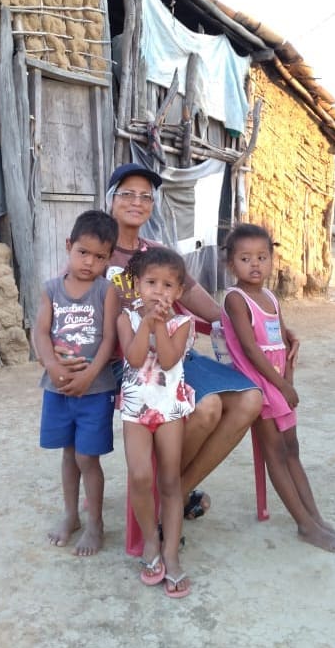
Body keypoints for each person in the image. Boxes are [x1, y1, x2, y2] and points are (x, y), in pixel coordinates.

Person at [101, 162, 265, 521]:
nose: (137, 201)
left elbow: (194, 297)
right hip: (128, 362)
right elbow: (74, 302)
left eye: (146, 196)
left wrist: (251, 323)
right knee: (207, 409)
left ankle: (173, 492)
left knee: (251, 399)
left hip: (175, 354)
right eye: (127, 193)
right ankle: (172, 496)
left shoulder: (156, 252)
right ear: (111, 200)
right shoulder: (98, 250)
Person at [220, 223, 335, 552]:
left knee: (293, 450)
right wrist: (281, 386)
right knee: (276, 454)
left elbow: (280, 340)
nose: (255, 265)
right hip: (258, 387)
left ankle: (315, 517)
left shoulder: (270, 297)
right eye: (245, 258)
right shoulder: (236, 299)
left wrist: (288, 382)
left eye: (262, 257)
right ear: (230, 264)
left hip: (278, 385)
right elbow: (251, 350)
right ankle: (305, 526)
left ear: (271, 260)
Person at [32, 210, 120, 557]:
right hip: (57, 388)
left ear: (109, 258)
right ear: (69, 246)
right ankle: (71, 515)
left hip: (94, 391)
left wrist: (88, 375)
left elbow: (110, 340)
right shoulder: (51, 289)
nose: (89, 262)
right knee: (69, 454)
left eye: (100, 256)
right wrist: (51, 365)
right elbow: (40, 331)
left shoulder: (105, 291)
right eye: (83, 252)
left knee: (88, 457)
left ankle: (95, 523)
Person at [117, 246, 195, 597]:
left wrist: (160, 324)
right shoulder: (126, 319)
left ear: (178, 292)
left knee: (169, 480)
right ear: (136, 285)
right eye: (151, 283)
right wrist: (146, 322)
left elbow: (166, 358)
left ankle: (171, 554)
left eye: (167, 286)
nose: (159, 292)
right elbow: (134, 359)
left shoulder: (182, 323)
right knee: (140, 475)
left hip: (169, 409)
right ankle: (150, 541)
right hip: (135, 408)